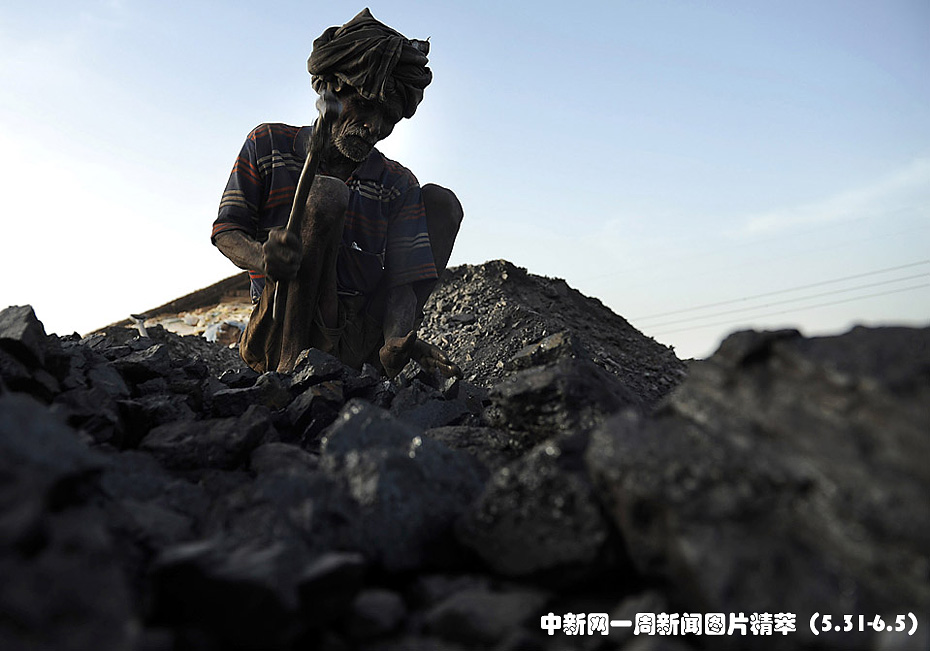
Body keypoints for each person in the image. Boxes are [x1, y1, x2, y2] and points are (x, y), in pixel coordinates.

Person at [211, 9, 463, 377]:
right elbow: (226, 231)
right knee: (327, 194)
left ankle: (376, 363)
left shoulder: (396, 183)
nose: (373, 126)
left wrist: (396, 339)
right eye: (364, 106)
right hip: (278, 328)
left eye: (388, 118)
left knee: (442, 204)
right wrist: (263, 258)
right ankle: (291, 371)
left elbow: (401, 287)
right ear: (331, 90)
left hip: (357, 337)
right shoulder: (267, 144)